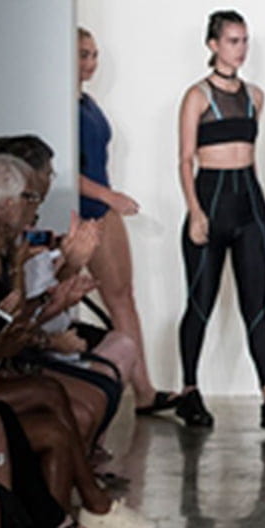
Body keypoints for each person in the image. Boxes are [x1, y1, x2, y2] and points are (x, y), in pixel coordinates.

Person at [175, 10, 265, 432]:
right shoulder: (197, 97)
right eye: (233, 41)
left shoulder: (256, 96)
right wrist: (195, 211)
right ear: (213, 45)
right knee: (200, 301)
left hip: (249, 204)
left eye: (244, 40)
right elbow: (185, 159)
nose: (241, 49)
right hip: (211, 201)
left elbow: (249, 155)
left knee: (257, 304)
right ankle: (189, 389)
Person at [77, 28, 176, 417]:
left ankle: (144, 390)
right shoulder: (61, 107)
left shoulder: (87, 103)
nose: (91, 62)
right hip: (83, 209)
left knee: (123, 297)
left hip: (101, 204)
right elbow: (64, 168)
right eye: (83, 54)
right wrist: (107, 196)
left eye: (94, 54)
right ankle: (121, 391)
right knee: (109, 299)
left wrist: (107, 199)